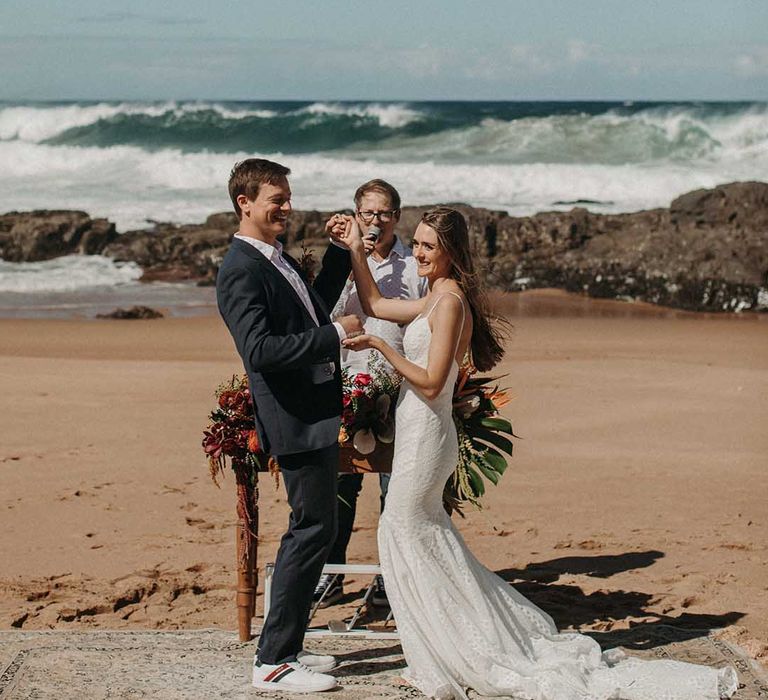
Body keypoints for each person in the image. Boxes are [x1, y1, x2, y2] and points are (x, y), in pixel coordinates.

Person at [333, 207, 737, 700]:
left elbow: (434, 381)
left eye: (427, 246)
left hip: (425, 433)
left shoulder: (450, 302)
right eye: (415, 243)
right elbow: (373, 300)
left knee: (403, 531)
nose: (417, 252)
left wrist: (380, 347)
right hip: (418, 428)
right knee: (417, 535)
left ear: (451, 253)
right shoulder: (435, 297)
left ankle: (451, 651)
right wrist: (356, 248)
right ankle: (442, 648)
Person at [216, 158, 364, 693]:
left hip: (315, 410)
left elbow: (314, 309)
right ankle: (273, 662)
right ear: (245, 203)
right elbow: (259, 351)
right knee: (311, 531)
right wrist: (336, 337)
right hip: (293, 417)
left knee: (316, 529)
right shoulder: (241, 269)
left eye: (288, 197)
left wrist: (340, 255)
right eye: (275, 199)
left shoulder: (276, 259)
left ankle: (290, 646)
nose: (286, 207)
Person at [313, 179, 427, 610]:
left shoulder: (414, 263)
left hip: (397, 384)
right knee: (340, 482)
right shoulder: (344, 257)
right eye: (367, 214)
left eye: (383, 213)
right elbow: (323, 311)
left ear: (396, 216)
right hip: (348, 378)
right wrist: (345, 252)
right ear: (356, 215)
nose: (375, 221)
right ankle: (333, 575)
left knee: (391, 486)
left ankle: (388, 577)